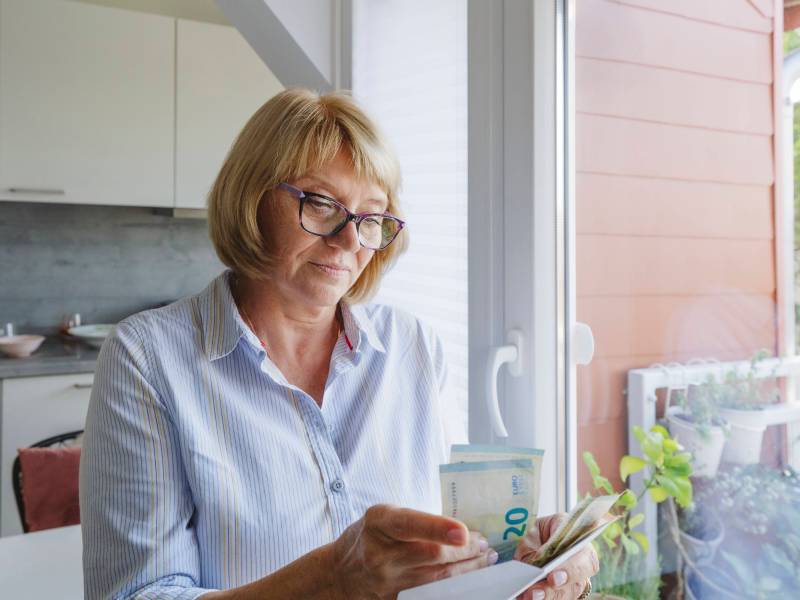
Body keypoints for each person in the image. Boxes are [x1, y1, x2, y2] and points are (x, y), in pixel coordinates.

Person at [80, 88, 597, 600]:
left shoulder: (413, 346)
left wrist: (523, 558)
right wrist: (331, 578)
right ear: (251, 197)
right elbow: (136, 595)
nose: (351, 241)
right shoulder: (147, 358)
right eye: (323, 204)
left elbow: (445, 545)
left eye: (371, 217)